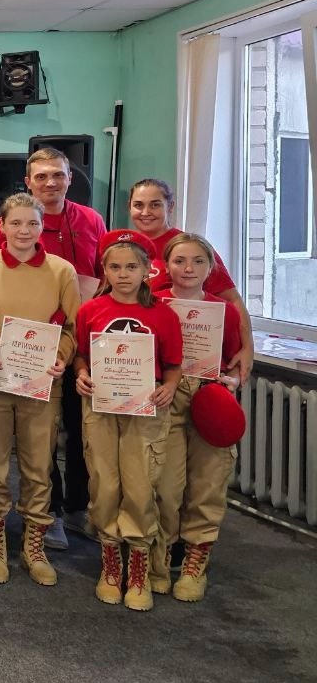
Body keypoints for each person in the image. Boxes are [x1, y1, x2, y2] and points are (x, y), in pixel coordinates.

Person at [0, 193, 80, 587]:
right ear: (1, 226)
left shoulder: (62, 271)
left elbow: (72, 327)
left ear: (42, 226)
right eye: (16, 223)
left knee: (38, 465)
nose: (24, 231)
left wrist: (61, 357)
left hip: (41, 383)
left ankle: (34, 544)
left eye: (32, 223)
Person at [0, 148, 108, 548]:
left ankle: (79, 507)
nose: (50, 182)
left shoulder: (92, 220)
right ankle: (52, 511)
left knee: (81, 430)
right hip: (28, 352)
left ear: (69, 178)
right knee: (40, 440)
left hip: (83, 342)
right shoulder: (9, 228)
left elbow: (104, 276)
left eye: (57, 175)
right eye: (41, 176)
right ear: (28, 182)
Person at [74, 230, 183, 611]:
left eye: (132, 267)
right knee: (104, 483)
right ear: (104, 270)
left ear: (147, 270)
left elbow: (173, 365)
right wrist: (81, 373)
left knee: (139, 485)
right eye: (115, 267)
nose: (123, 275)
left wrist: (170, 386)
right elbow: (81, 354)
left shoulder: (163, 315)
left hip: (145, 409)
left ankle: (138, 565)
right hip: (101, 407)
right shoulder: (90, 310)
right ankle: (110, 562)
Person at [151, 232, 244, 602]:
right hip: (166, 397)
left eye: (198, 261)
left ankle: (195, 561)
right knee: (165, 485)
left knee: (207, 483)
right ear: (166, 266)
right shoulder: (153, 303)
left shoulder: (226, 311)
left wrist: (232, 381)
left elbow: (234, 360)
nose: (188, 268)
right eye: (179, 261)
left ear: (211, 267)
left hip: (209, 398)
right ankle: (161, 555)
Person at [129, 178, 253, 380]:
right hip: (141, 356)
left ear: (170, 206)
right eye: (138, 205)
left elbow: (232, 299)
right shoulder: (123, 247)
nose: (145, 212)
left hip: (188, 358)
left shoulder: (189, 248)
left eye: (155, 205)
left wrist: (248, 347)